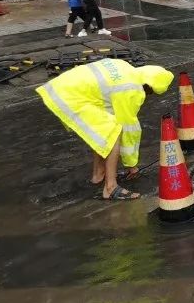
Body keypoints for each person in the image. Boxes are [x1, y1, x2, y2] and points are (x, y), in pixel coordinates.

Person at [36, 59, 175, 200]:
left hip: (60, 89)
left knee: (104, 129)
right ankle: (110, 187)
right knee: (113, 132)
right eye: (150, 93)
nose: (147, 96)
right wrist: (131, 165)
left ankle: (98, 175)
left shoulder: (124, 67)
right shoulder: (132, 89)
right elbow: (130, 130)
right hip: (72, 97)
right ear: (149, 86)